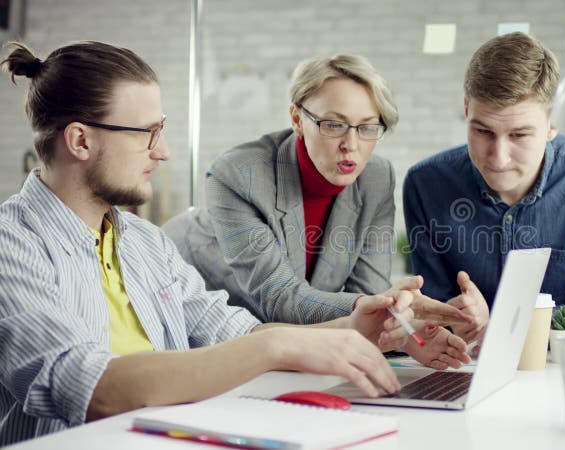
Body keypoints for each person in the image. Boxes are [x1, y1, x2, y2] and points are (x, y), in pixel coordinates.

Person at [0, 41, 415, 446]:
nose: (162, 151)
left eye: (160, 130)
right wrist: (275, 346)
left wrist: (353, 327)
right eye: (147, 133)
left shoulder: (146, 243)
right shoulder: (11, 245)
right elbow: (89, 388)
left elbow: (232, 331)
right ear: (80, 141)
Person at [162, 54, 471, 368]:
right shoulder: (240, 174)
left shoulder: (376, 177)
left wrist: (404, 333)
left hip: (277, 339)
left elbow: (367, 292)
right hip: (184, 312)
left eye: (366, 128)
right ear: (297, 119)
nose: (351, 144)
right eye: (334, 125)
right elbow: (279, 298)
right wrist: (381, 307)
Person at [403, 32, 565, 336]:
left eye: (519, 135)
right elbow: (429, 307)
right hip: (462, 366)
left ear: (553, 123)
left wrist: (502, 325)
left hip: (557, 368)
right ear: (466, 109)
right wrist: (454, 314)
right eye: (483, 131)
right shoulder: (426, 184)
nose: (498, 158)